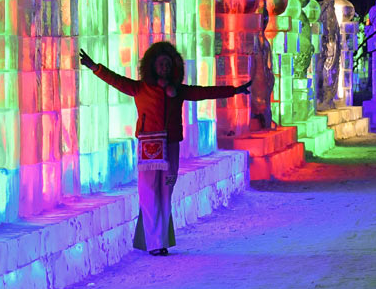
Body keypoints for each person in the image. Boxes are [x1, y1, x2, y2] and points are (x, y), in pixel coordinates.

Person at [79, 42, 250, 256]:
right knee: (149, 194)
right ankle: (155, 243)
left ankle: (159, 240)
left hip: (170, 149)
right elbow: (116, 81)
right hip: (149, 150)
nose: (164, 68)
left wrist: (235, 90)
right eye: (161, 64)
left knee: (166, 192)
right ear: (152, 66)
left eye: (168, 64)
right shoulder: (140, 88)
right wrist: (96, 67)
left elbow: (205, 92)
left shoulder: (177, 91)